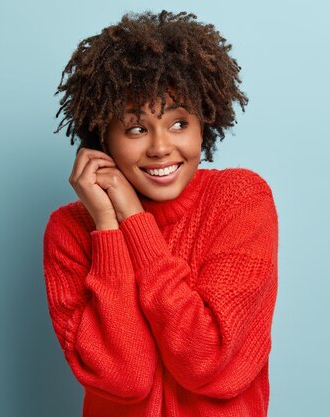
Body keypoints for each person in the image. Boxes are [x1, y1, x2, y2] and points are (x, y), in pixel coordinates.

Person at [43, 10, 279, 417]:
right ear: (103, 137)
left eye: (178, 123)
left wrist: (135, 219)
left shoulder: (240, 199)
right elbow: (126, 380)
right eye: (136, 129)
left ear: (203, 124)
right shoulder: (69, 230)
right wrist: (108, 226)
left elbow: (205, 361)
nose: (160, 147)